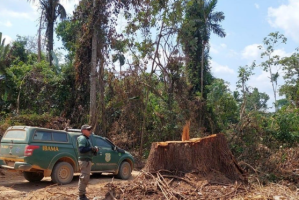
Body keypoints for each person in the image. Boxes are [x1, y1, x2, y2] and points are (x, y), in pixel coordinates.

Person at [77, 124, 98, 200]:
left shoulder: (87, 138)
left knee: (85, 178)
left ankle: (82, 195)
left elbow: (88, 149)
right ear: (83, 131)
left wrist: (94, 150)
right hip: (84, 161)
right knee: (84, 178)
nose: (90, 131)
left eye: (90, 129)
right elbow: (81, 149)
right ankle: (81, 196)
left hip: (87, 161)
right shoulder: (82, 138)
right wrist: (91, 148)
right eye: (88, 130)